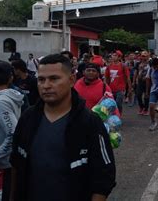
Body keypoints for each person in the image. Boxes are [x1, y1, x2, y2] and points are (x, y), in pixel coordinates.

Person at [10, 54, 116, 201]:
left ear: (71, 80)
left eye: (54, 78)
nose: (46, 85)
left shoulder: (89, 122)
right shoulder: (28, 118)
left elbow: (104, 177)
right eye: (41, 79)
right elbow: (16, 164)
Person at [0, 60, 24, 201]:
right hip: (3, 165)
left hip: (1, 167)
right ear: (11, 78)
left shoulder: (0, 102)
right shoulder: (7, 98)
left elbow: (13, 133)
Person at [133, 51, 151, 115]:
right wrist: (134, 81)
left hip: (148, 81)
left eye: (145, 56)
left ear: (147, 56)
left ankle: (146, 109)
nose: (143, 57)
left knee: (146, 95)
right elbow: (135, 72)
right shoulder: (138, 63)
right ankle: (141, 107)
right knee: (138, 94)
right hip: (140, 81)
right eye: (142, 56)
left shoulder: (150, 63)